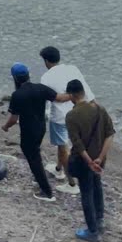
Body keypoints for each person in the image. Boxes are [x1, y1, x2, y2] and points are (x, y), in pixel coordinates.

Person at [1, 62, 72, 201]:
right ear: (28, 75)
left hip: (28, 131)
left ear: (15, 78)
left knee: (34, 159)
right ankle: (38, 178)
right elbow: (60, 98)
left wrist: (5, 127)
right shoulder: (40, 88)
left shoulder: (17, 95)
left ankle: (47, 192)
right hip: (41, 128)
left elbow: (14, 119)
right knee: (35, 153)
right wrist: (75, 94)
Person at [39, 45, 94, 194]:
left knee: (63, 148)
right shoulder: (73, 69)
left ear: (46, 61)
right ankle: (58, 169)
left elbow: (46, 101)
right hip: (81, 112)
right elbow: (86, 90)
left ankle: (71, 184)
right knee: (63, 146)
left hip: (61, 118)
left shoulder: (46, 78)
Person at [65, 78, 114, 242]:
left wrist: (89, 161)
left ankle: (92, 231)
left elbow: (77, 144)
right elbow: (110, 134)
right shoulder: (100, 109)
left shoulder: (71, 116)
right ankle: (99, 220)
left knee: (86, 192)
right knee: (97, 185)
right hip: (100, 159)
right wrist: (100, 158)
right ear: (83, 92)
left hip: (84, 161)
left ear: (71, 95)